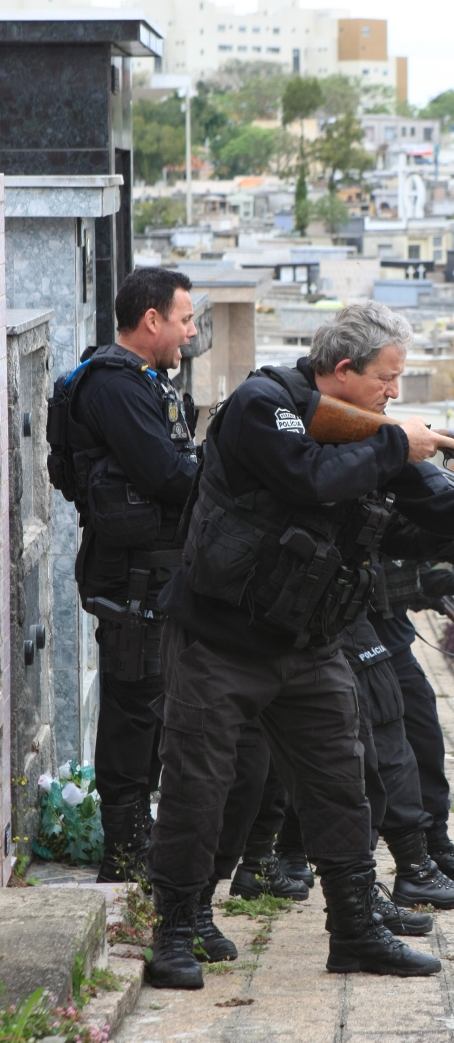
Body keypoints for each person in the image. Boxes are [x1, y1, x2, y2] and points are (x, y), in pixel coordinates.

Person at [146, 301, 454, 989]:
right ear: (345, 369)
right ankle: (176, 928)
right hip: (219, 636)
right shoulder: (265, 404)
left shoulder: (377, 434)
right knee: (199, 788)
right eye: (387, 378)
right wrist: (396, 444)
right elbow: (307, 475)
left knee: (341, 787)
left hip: (307, 643)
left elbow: (438, 509)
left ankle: (355, 930)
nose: (394, 393)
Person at [50, 269, 198, 882]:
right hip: (129, 578)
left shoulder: (139, 381)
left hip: (150, 572)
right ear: (152, 320)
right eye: (184, 320)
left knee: (152, 707)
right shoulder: (114, 386)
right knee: (133, 711)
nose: (190, 334)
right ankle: (123, 856)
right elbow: (165, 475)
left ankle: (140, 843)